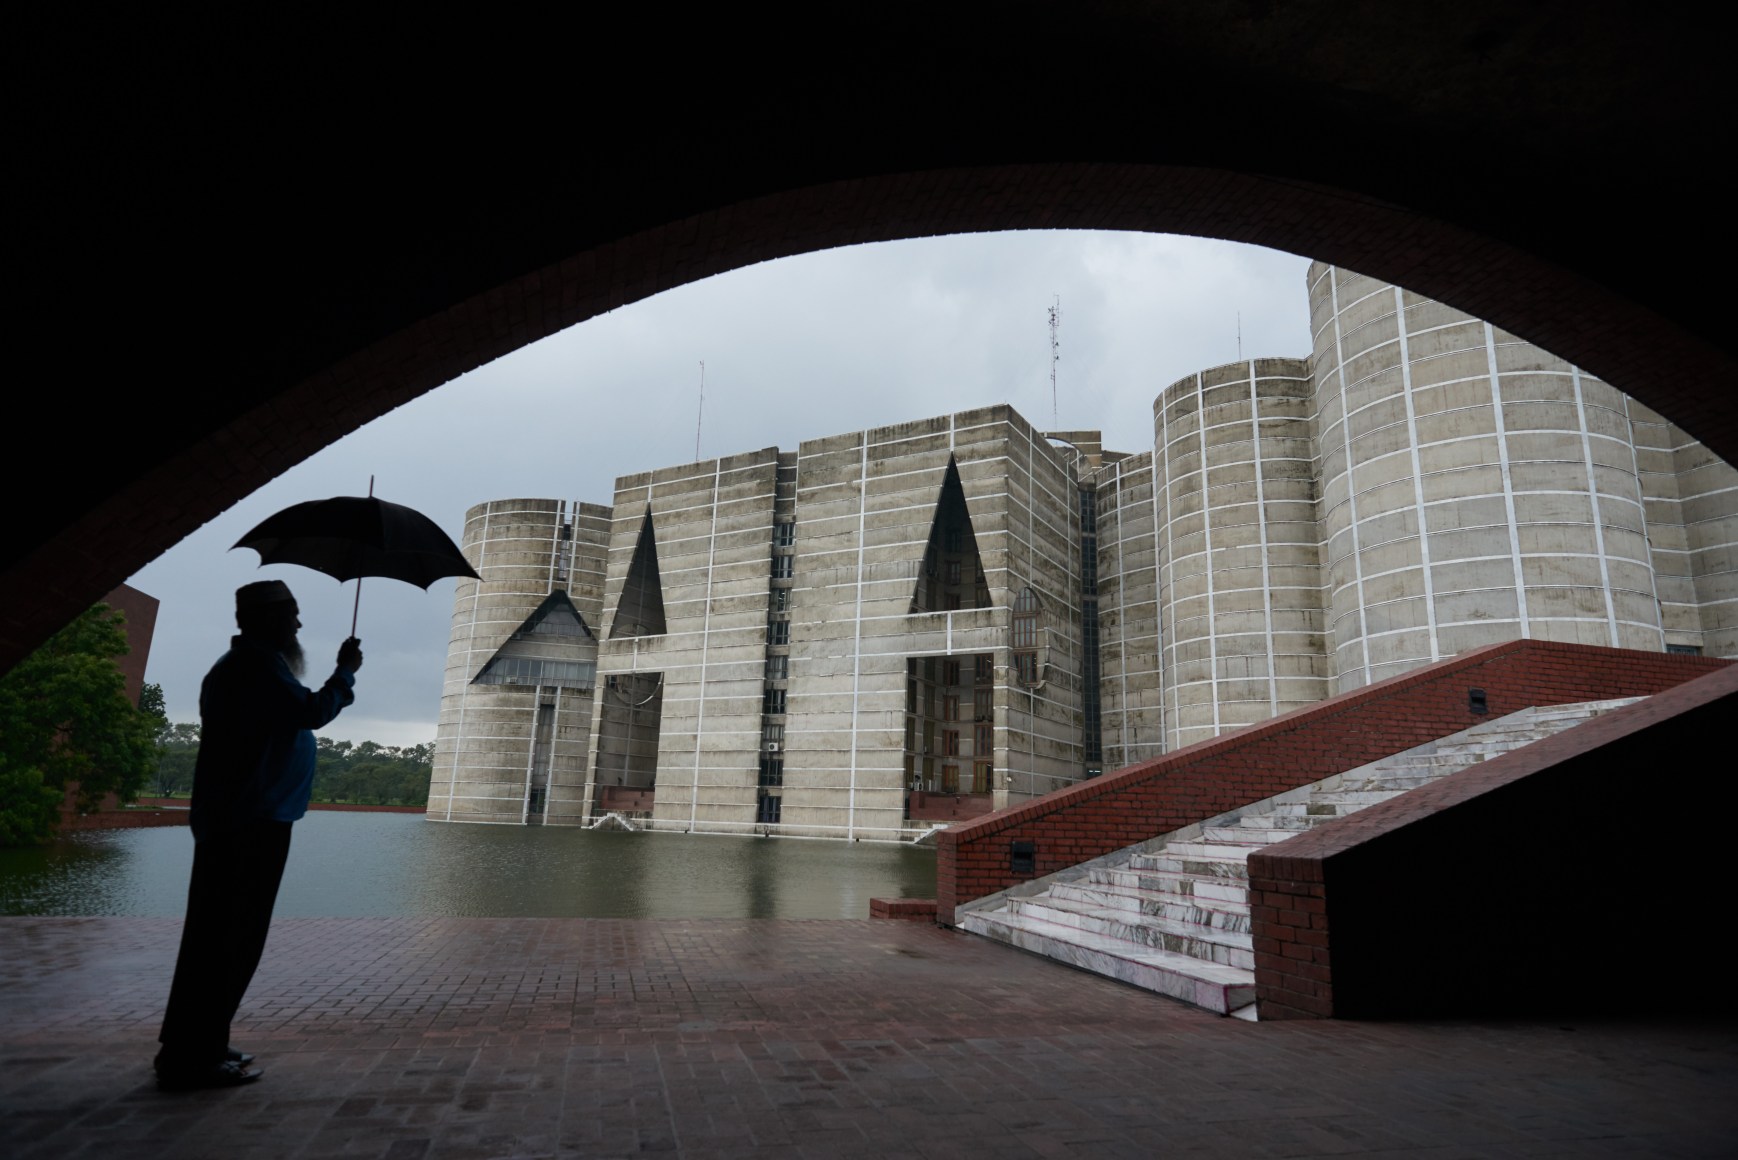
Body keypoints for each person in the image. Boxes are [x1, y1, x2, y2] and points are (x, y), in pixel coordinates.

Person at [154, 580, 363, 1091]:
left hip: (248, 819)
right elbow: (310, 712)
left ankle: (198, 1042)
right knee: (229, 938)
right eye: (291, 614)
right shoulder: (253, 667)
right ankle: (191, 1058)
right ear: (264, 619)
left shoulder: (250, 666)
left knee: (221, 937)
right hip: (248, 822)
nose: (298, 624)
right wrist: (345, 673)